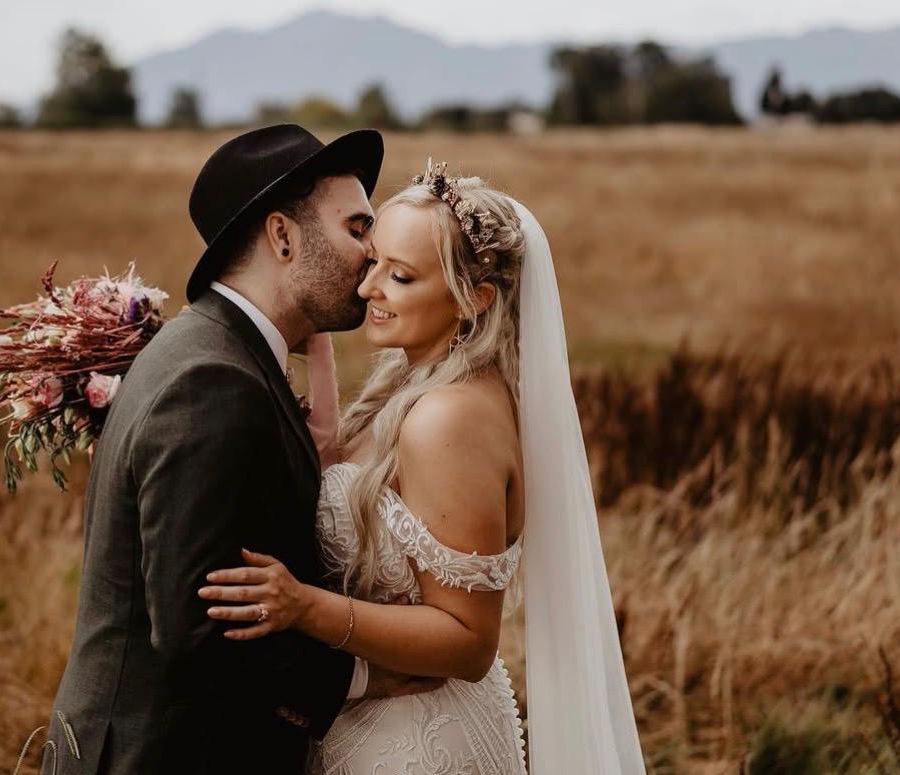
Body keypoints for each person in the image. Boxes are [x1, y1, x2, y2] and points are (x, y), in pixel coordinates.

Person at [198, 161, 647, 773]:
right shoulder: (417, 381)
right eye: (373, 262)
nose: (367, 289)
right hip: (375, 726)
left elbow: (468, 642)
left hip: (422, 744)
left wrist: (304, 607)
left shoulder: (448, 419)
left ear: (474, 299)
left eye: (401, 276)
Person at [38, 125, 440, 775]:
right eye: (357, 228)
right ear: (282, 237)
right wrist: (361, 675)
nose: (374, 253)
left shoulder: (217, 351)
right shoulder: (213, 382)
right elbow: (198, 626)